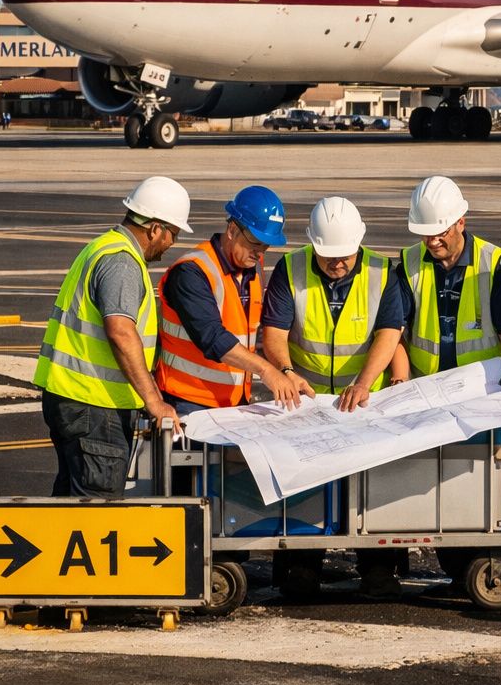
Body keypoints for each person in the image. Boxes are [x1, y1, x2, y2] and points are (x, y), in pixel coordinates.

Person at [397, 176, 501, 596]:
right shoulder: (410, 263)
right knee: (447, 479)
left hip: (486, 393)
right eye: (425, 234)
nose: (432, 242)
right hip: (433, 392)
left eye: (438, 233)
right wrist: (401, 381)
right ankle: (461, 567)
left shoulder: (494, 263)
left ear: (460, 222)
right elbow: (397, 331)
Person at [258, 195, 409, 597]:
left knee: (372, 485)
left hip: (363, 402)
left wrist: (364, 381)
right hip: (306, 402)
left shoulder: (380, 270)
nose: (337, 264)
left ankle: (379, 569)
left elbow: (389, 332)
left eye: (344, 256)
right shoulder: (290, 269)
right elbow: (273, 334)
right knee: (303, 483)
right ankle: (301, 568)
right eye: (328, 257)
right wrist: (287, 372)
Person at [35, 176, 189, 498]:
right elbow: (120, 331)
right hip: (94, 406)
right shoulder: (122, 262)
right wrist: (154, 401)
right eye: (173, 233)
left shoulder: (102, 246)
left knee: (69, 504)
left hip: (71, 399)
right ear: (154, 228)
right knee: (97, 512)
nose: (172, 243)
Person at [155, 185, 313, 415]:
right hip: (188, 403)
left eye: (266, 245)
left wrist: (285, 372)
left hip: (233, 403)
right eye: (254, 242)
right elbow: (212, 338)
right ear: (232, 229)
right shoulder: (192, 272)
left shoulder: (253, 269)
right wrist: (268, 372)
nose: (260, 252)